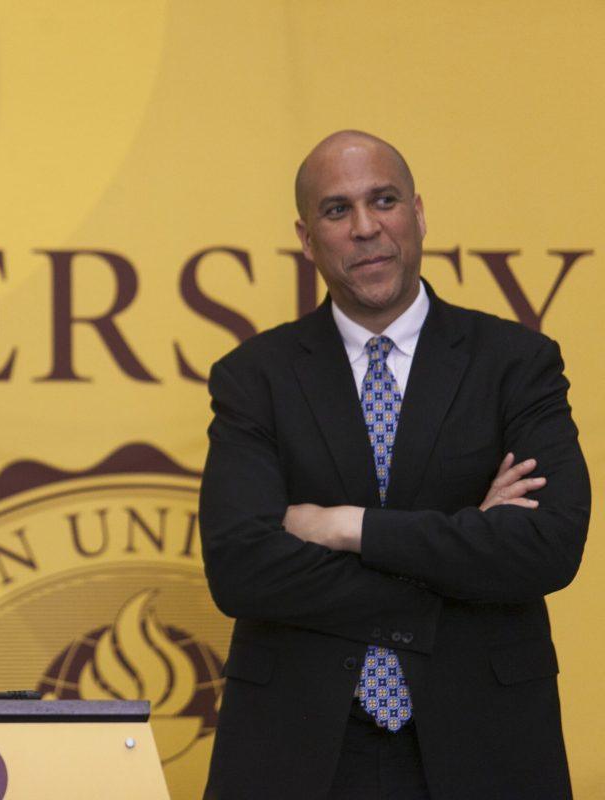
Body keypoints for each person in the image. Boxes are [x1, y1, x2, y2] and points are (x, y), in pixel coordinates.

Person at [199, 131, 589, 799]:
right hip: (298, 749)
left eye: (383, 200)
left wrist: (346, 526)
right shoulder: (254, 378)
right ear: (306, 237)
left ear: (418, 212)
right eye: (336, 210)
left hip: (484, 743)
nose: (365, 227)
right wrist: (463, 542)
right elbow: (242, 571)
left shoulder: (515, 364)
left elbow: (545, 547)